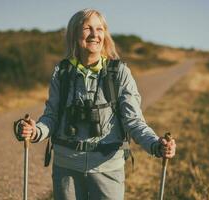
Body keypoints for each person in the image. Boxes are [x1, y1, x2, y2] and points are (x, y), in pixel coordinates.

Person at [15, 8, 176, 200]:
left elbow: (134, 121)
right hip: (67, 167)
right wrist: (34, 131)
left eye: (100, 29)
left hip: (108, 168)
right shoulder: (62, 72)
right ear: (75, 34)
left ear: (105, 34)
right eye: (87, 28)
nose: (94, 34)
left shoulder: (119, 73)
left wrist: (156, 145)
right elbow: (52, 117)